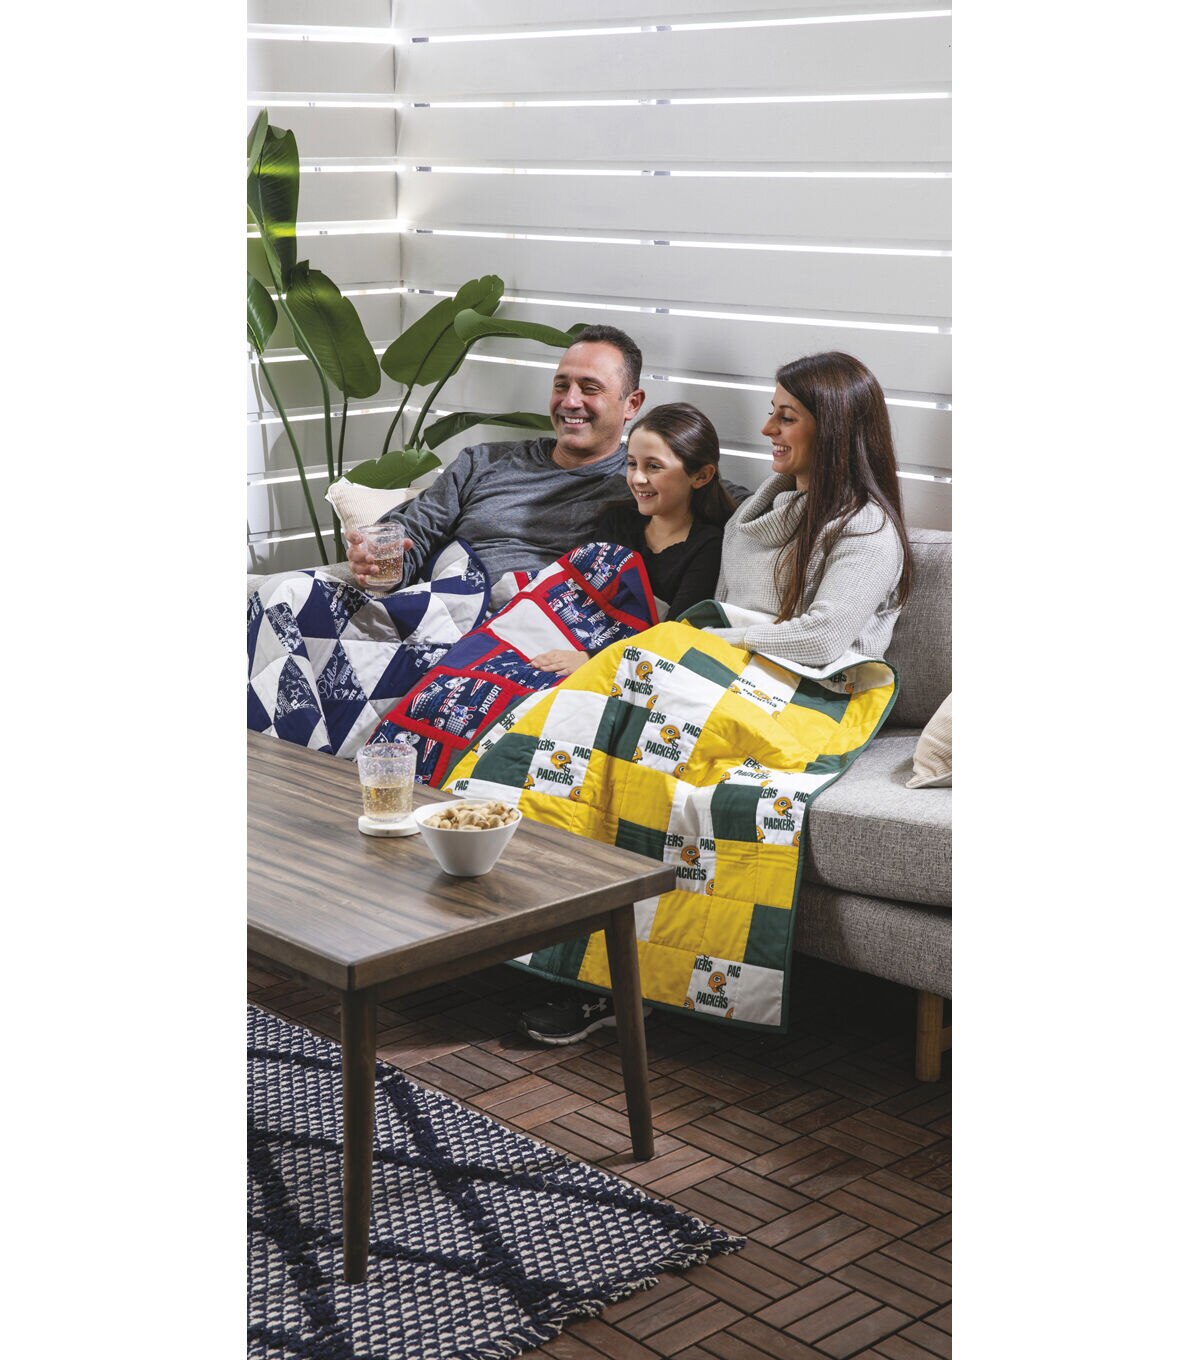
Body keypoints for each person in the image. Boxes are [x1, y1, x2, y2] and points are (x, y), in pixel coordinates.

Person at [518, 350, 914, 1045]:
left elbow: (822, 640)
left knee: (650, 742)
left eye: (786, 417)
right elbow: (721, 612)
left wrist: (709, 643)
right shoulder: (754, 517)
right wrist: (702, 645)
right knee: (586, 725)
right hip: (732, 675)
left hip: (812, 697)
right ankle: (546, 937)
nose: (767, 430)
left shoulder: (866, 530)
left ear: (832, 428)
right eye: (772, 413)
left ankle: (621, 981)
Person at [347, 325, 646, 589]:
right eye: (561, 386)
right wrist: (376, 562)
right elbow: (415, 531)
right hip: (441, 607)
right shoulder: (483, 463)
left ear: (631, 404)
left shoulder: (637, 488)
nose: (569, 401)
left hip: (540, 623)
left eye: (590, 389)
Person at [527, 402, 735, 679]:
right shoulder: (618, 520)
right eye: (632, 464)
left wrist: (591, 658)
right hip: (571, 642)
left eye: (654, 467)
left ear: (701, 476)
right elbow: (582, 595)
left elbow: (675, 635)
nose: (637, 478)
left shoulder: (709, 546)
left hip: (631, 666)